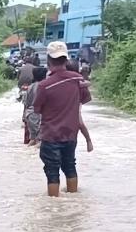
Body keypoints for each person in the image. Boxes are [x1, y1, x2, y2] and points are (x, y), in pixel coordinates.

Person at [33, 41, 94, 197]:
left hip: (51, 136)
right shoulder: (77, 79)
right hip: (71, 135)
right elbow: (85, 99)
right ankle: (73, 201)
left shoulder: (44, 86)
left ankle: (54, 208)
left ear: (48, 60)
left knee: (52, 172)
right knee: (70, 167)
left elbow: (37, 109)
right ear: (66, 60)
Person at [22, 67, 47, 146]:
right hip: (40, 116)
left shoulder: (30, 87)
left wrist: (24, 117)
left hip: (30, 115)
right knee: (40, 143)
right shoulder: (45, 86)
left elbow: (26, 104)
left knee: (32, 141)